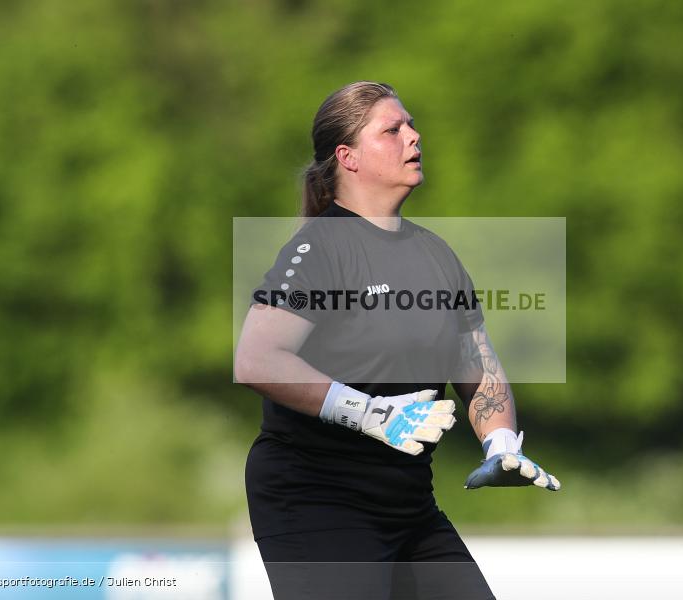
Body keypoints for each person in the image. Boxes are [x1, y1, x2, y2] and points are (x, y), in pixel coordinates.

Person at [234, 81, 560, 600]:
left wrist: (500, 444)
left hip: (407, 504)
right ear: (349, 157)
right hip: (317, 501)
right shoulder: (321, 247)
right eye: (393, 129)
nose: (414, 135)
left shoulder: (436, 255)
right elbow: (256, 359)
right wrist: (368, 413)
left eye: (410, 124)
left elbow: (476, 361)